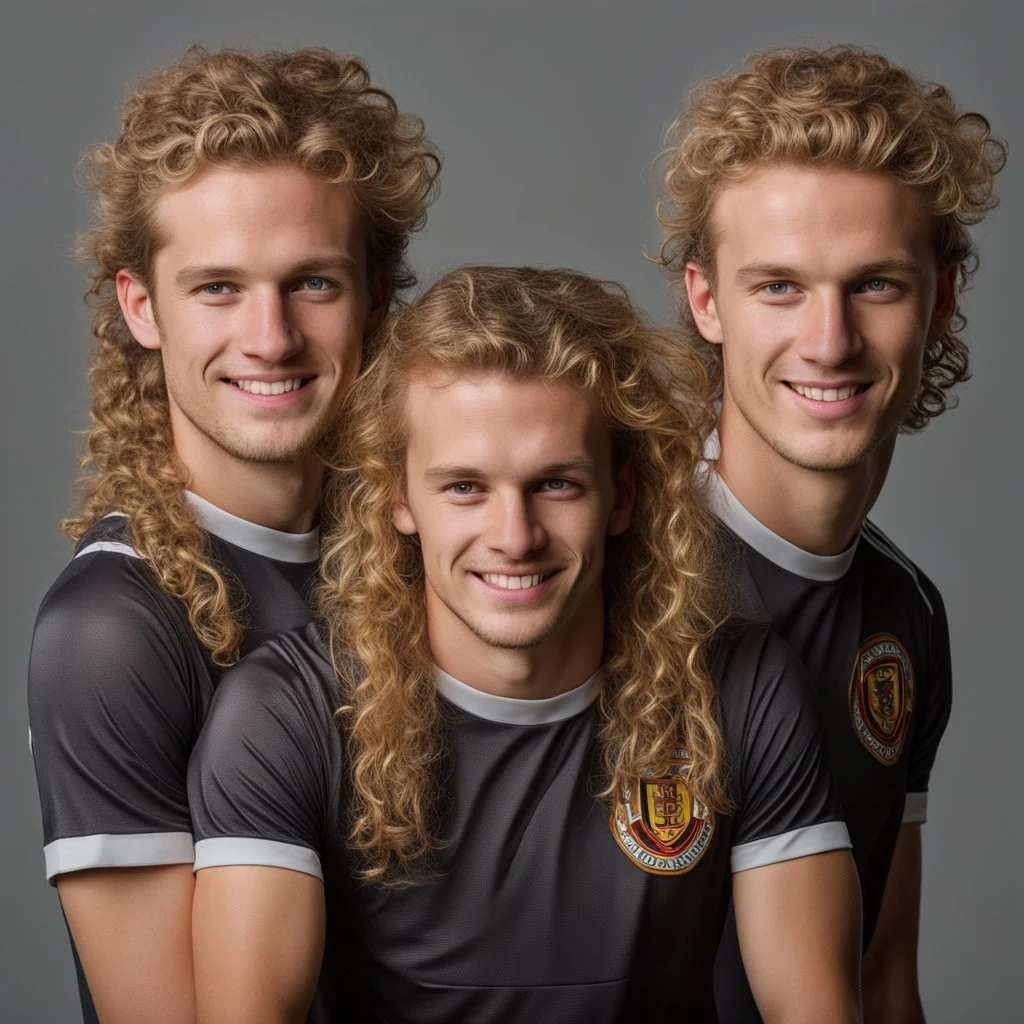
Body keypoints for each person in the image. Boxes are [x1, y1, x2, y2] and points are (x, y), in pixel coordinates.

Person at [188, 265, 861, 1024]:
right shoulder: (286, 712)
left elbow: (817, 1008)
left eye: (555, 485)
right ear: (397, 499)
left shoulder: (741, 686)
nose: (515, 538)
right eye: (465, 488)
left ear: (624, 494)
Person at [27, 45, 439, 1024]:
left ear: (377, 295)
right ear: (142, 306)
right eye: (218, 287)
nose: (270, 337)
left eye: (312, 284)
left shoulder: (451, 544)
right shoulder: (110, 630)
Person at [655, 45, 1006, 1023]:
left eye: (875, 286)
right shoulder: (595, 572)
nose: (828, 341)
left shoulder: (905, 612)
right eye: (778, 287)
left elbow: (883, 976)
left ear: (938, 303)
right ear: (704, 300)